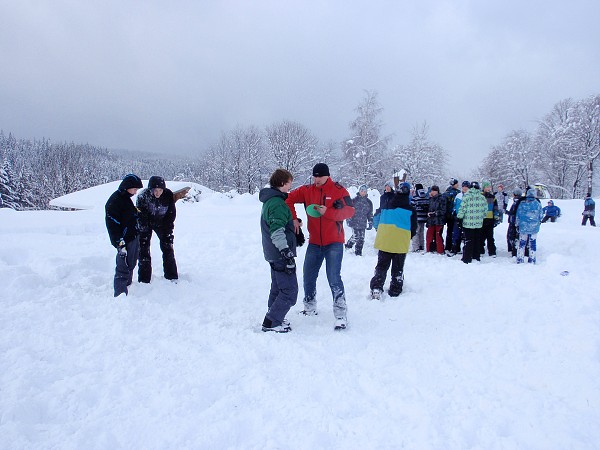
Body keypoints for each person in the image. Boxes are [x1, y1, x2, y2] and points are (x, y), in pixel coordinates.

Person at [285, 163, 355, 330]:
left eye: (319, 176)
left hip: (334, 242)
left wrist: (328, 213)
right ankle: (309, 307)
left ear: (327, 176)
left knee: (333, 277)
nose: (316, 179)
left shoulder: (339, 190)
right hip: (314, 242)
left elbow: (350, 211)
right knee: (308, 275)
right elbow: (288, 199)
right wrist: (294, 218)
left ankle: (340, 314)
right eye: (314, 176)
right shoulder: (307, 190)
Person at [259, 168, 298, 333]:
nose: (291, 185)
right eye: (289, 182)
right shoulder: (277, 203)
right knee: (289, 291)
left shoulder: (270, 201)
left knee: (277, 287)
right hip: (279, 254)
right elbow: (276, 231)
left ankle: (274, 315)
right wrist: (286, 252)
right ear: (282, 183)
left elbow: (278, 225)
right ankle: (272, 322)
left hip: (272, 254)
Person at [370, 182, 417, 299]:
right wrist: (407, 236)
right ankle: (395, 289)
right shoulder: (411, 210)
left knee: (381, 266)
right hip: (400, 242)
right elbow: (414, 228)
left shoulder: (387, 206)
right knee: (398, 267)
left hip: (385, 240)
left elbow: (378, 218)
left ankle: (376, 287)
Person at [105, 174, 144, 297]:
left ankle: (128, 285)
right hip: (123, 239)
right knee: (123, 265)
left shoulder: (126, 198)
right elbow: (112, 224)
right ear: (127, 186)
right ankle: (120, 293)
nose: (135, 192)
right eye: (134, 189)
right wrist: (118, 241)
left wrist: (136, 213)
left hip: (132, 236)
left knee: (131, 263)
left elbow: (128, 215)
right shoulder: (115, 201)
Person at [136, 176, 179, 283]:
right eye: (155, 190)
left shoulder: (168, 195)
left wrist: (169, 231)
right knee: (143, 249)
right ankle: (144, 279)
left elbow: (171, 214)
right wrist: (144, 231)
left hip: (162, 223)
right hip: (146, 224)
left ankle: (171, 276)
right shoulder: (142, 196)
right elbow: (141, 216)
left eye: (160, 190)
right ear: (150, 189)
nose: (158, 193)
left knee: (167, 247)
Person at [456, 181, 487, 264]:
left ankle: (466, 258)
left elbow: (462, 209)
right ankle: (476, 256)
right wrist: (481, 218)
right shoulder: (482, 197)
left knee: (468, 240)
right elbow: (485, 211)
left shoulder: (467, 197)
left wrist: (459, 218)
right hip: (478, 223)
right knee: (477, 240)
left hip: (468, 223)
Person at [515, 188, 543, 264]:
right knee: (532, 243)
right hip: (534, 227)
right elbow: (541, 215)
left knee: (522, 243)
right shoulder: (537, 204)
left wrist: (517, 224)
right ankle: (532, 259)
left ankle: (520, 259)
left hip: (523, 227)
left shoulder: (522, 203)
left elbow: (518, 215)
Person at [345, 185, 373, 256]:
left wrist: (370, 221)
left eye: (364, 191)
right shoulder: (354, 200)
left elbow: (370, 213)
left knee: (361, 238)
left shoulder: (369, 202)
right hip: (354, 222)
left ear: (366, 192)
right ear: (359, 191)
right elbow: (348, 210)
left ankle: (358, 252)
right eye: (361, 191)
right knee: (356, 236)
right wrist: (349, 220)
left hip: (363, 223)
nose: (363, 192)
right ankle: (348, 246)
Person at [447, 180, 470, 256]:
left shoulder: (470, 196)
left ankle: (466, 250)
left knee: (466, 235)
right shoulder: (458, 195)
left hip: (467, 218)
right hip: (457, 217)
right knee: (456, 233)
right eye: (463, 186)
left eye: (466, 187)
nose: (465, 188)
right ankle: (455, 248)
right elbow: (454, 205)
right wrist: (453, 212)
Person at [480, 181, 499, 257]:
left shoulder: (492, 197)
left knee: (490, 236)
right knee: (481, 236)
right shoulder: (480, 196)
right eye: (487, 187)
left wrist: (496, 215)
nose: (488, 188)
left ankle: (492, 251)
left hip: (490, 218)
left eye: (489, 187)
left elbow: (495, 207)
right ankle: (480, 250)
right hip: (481, 219)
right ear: (483, 188)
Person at [425, 185, 446, 254]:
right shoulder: (430, 199)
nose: (432, 192)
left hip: (439, 220)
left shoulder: (442, 198)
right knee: (429, 235)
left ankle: (440, 250)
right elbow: (429, 208)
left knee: (438, 236)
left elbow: (443, 210)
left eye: (433, 191)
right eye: (432, 190)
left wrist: (435, 213)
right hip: (431, 220)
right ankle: (429, 250)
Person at [442, 179, 460, 252]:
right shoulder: (457, 193)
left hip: (448, 215)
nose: (458, 185)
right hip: (453, 214)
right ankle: (454, 246)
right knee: (454, 231)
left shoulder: (446, 193)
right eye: (457, 184)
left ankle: (448, 246)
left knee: (450, 231)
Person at [506, 188, 524, 257]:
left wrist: (506, 212)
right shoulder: (522, 201)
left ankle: (514, 251)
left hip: (513, 222)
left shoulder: (516, 202)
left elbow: (513, 212)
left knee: (511, 237)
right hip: (519, 222)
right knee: (517, 237)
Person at [411, 183, 429, 252]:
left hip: (417, 217)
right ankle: (422, 245)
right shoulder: (426, 196)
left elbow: (412, 206)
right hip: (424, 217)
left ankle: (416, 247)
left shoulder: (415, 196)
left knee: (416, 232)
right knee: (421, 231)